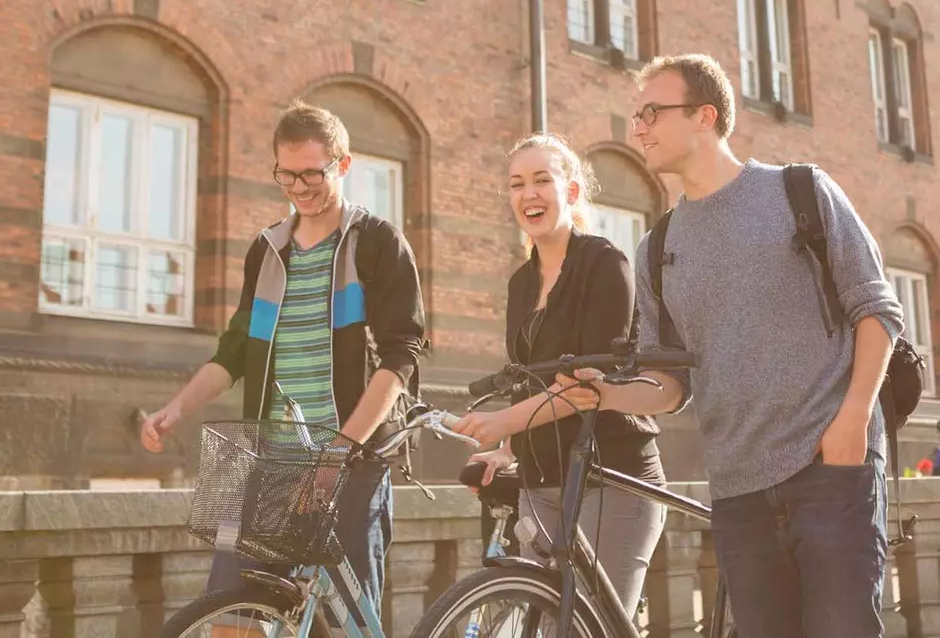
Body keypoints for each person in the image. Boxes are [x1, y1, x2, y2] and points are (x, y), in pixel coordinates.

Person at [562, 53, 904, 638]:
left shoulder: (801, 192)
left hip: (830, 469)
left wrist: (853, 420)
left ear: (704, 116)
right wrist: (605, 396)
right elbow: (670, 386)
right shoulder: (657, 246)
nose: (637, 126)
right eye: (636, 114)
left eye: (651, 111)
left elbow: (877, 310)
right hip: (739, 491)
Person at [139, 103, 426, 620]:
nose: (298, 186)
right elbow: (235, 352)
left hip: (350, 468)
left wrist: (339, 451)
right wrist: (175, 409)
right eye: (286, 174)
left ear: (343, 164)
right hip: (270, 464)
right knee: (230, 617)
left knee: (346, 623)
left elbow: (401, 355)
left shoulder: (378, 243)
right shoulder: (267, 250)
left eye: (312, 173)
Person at [450, 133, 666, 614]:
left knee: (592, 625)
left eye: (542, 180)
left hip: (611, 478)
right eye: (517, 184)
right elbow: (528, 378)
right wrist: (506, 451)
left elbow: (585, 388)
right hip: (540, 482)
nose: (528, 194)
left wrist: (503, 424)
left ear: (570, 192)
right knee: (546, 625)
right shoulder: (520, 282)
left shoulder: (605, 263)